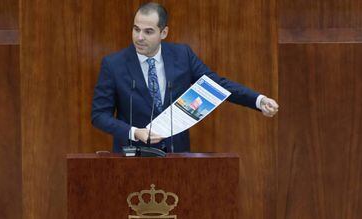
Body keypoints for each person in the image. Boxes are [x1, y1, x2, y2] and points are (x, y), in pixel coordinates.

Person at [91, 2, 279, 153]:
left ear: (163, 32)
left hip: (176, 156)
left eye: (148, 32)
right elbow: (99, 115)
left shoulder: (182, 56)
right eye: (136, 29)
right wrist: (134, 132)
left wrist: (258, 100)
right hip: (131, 157)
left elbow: (217, 86)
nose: (139, 37)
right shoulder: (113, 64)